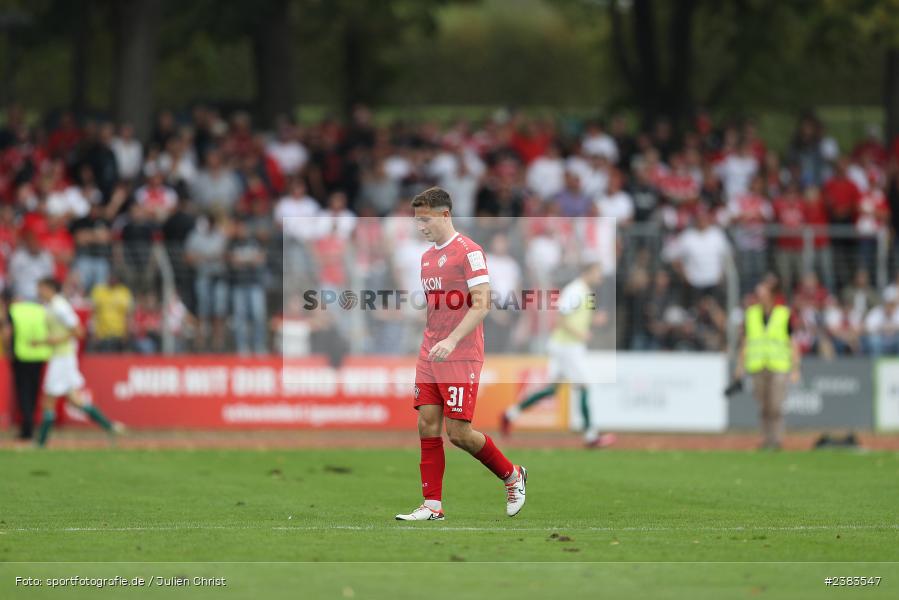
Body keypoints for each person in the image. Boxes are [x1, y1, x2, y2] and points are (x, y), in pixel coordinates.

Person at [395, 187, 526, 522]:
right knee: (426, 424)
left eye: (424, 220)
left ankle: (512, 475)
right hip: (431, 351)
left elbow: (483, 303)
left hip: (461, 352)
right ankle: (432, 505)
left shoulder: (470, 251)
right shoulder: (425, 258)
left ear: (444, 215)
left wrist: (452, 340)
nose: (420, 227)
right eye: (416, 221)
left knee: (458, 433)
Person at [500, 261, 615, 448]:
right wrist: (580, 333)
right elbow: (561, 318)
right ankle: (591, 436)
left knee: (552, 389)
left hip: (565, 345)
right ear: (588, 272)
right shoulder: (576, 290)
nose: (600, 277)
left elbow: (573, 317)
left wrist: (593, 320)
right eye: (597, 272)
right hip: (568, 347)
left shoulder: (582, 291)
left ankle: (509, 414)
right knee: (584, 386)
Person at [34, 277, 124, 447]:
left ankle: (41, 442)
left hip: (63, 357)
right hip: (61, 355)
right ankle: (109, 426)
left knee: (48, 398)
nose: (38, 292)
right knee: (75, 399)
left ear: (49, 288)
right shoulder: (51, 306)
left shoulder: (60, 307)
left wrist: (55, 340)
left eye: (41, 288)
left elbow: (79, 331)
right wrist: (45, 342)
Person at [734, 280, 801, 450]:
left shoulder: (783, 314)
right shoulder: (751, 314)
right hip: (757, 365)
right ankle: (766, 439)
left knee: (776, 405)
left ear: (771, 295)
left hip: (778, 365)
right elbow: (745, 342)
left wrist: (795, 368)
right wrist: (740, 366)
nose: (759, 297)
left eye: (762, 293)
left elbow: (792, 342)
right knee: (763, 406)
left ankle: (776, 440)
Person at [1, 292, 51, 440]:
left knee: (23, 393)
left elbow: (7, 333)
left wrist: (7, 350)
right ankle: (32, 425)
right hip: (39, 355)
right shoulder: (40, 310)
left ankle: (27, 428)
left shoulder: (14, 311)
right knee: (34, 391)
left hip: (21, 355)